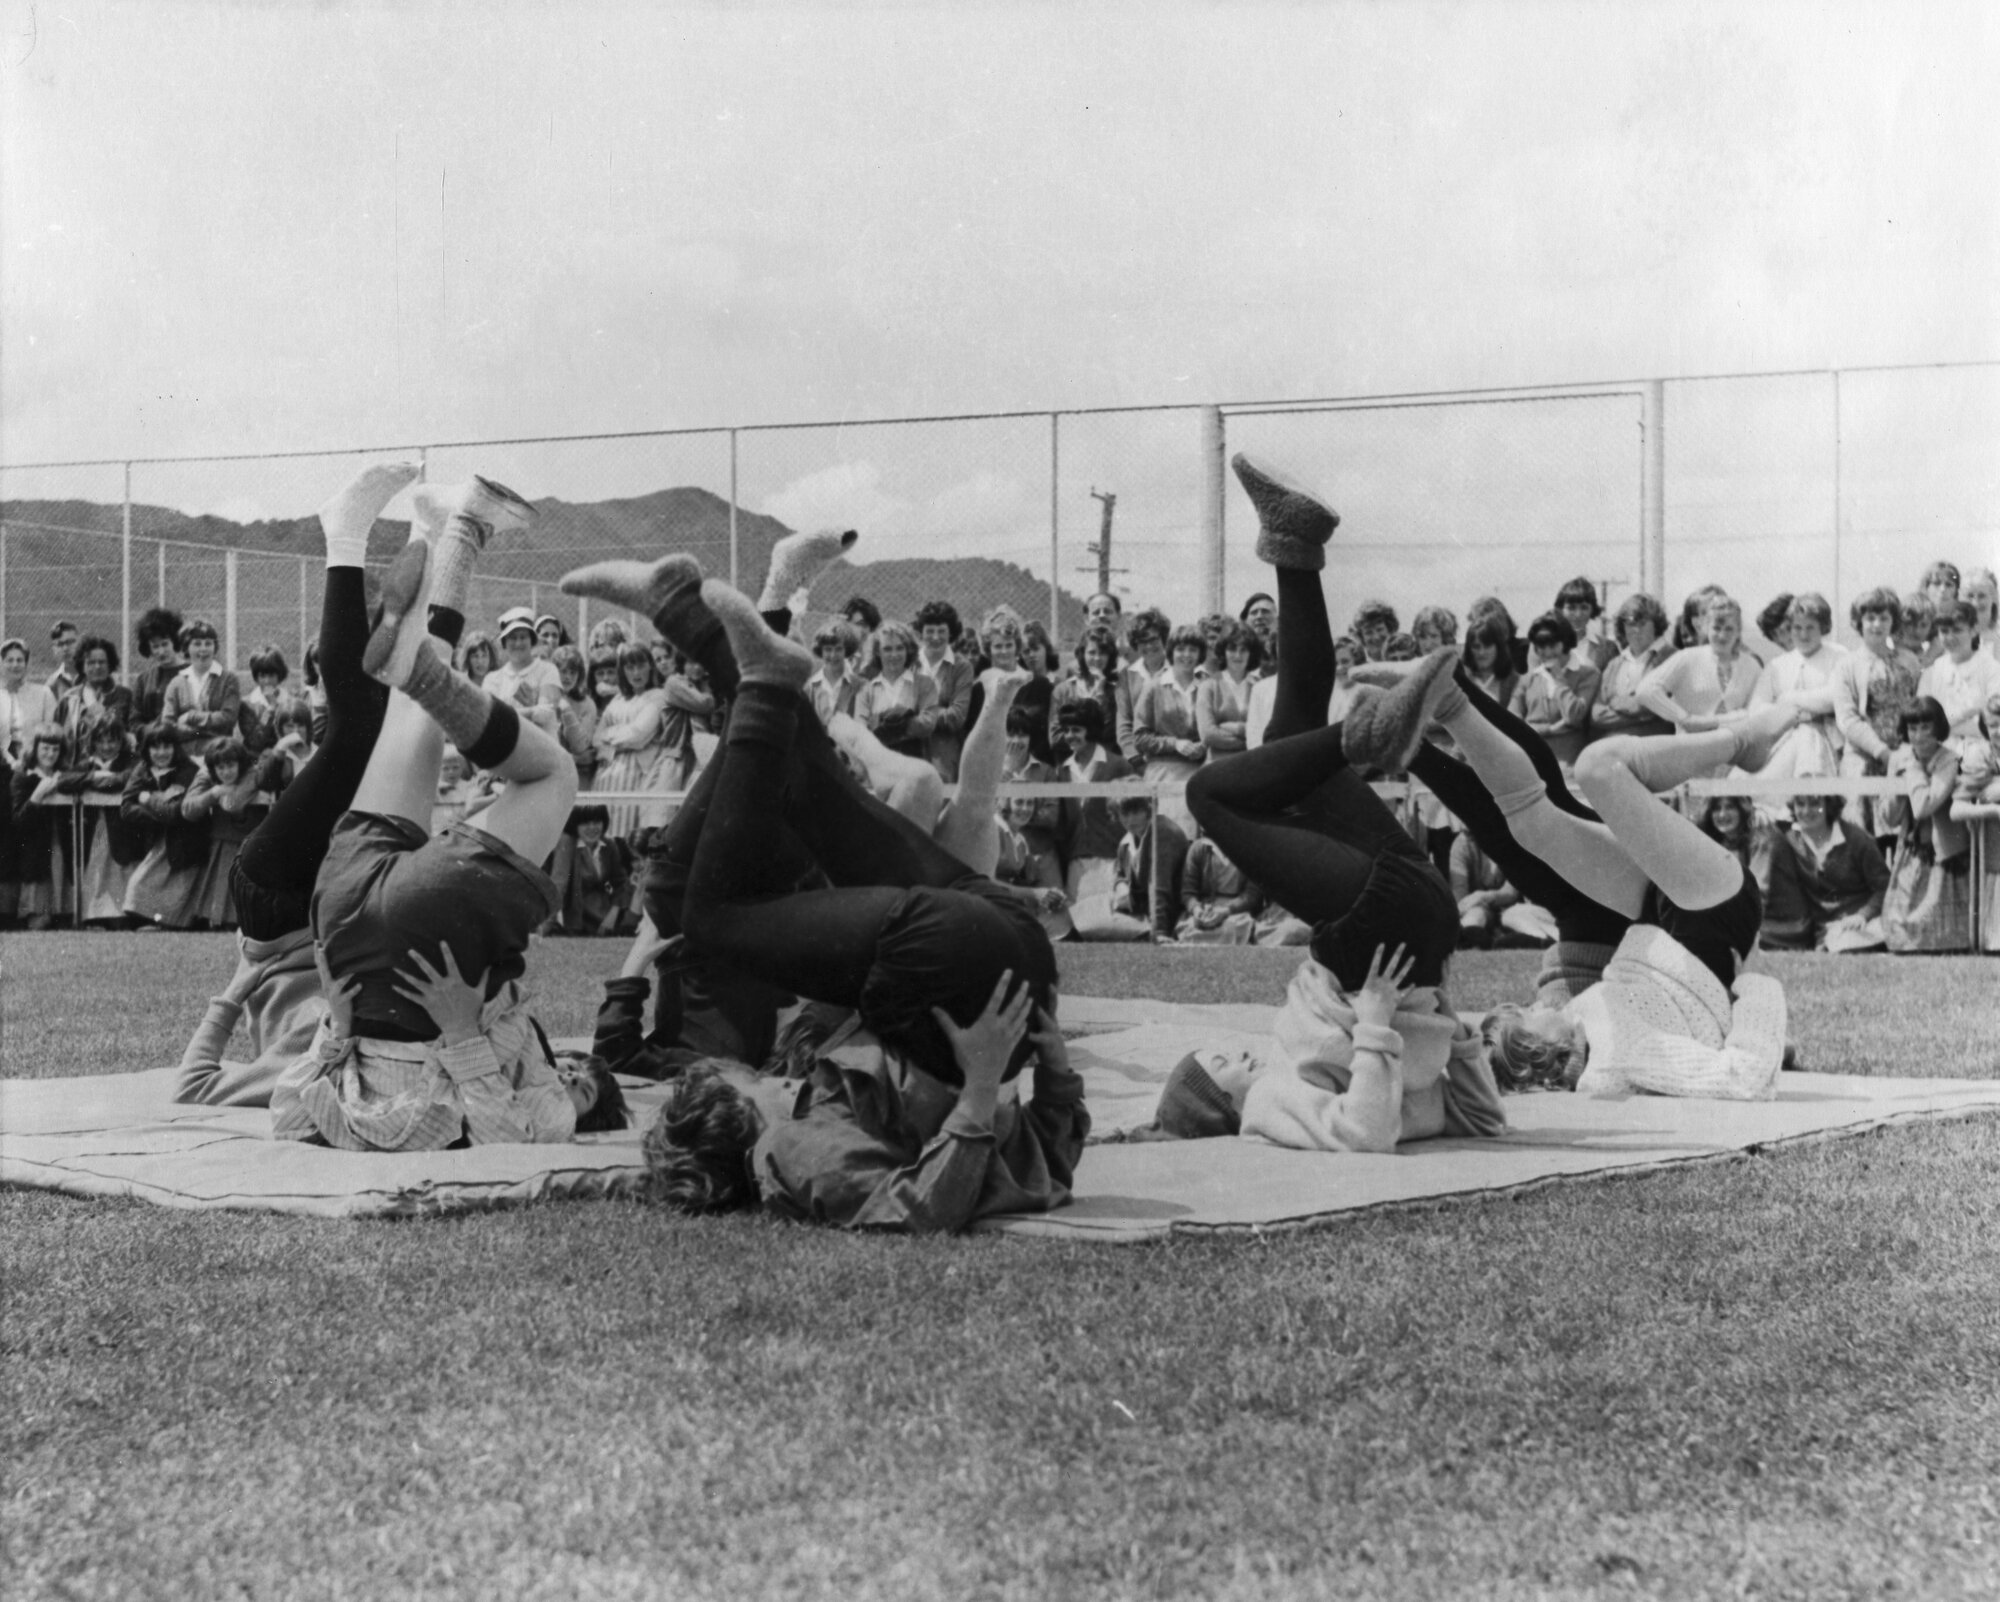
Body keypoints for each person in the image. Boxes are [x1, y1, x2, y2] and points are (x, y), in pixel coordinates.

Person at [556, 553, 1083, 1231]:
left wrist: (1051, 1066)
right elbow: (916, 1207)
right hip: (961, 980)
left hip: (1007, 972)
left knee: (814, 784)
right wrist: (983, 1089)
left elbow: (1055, 1157)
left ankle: (700, 626)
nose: (768, 1078)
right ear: (729, 1113)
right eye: (740, 1081)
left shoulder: (813, 1112)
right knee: (705, 918)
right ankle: (732, 649)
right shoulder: (784, 1151)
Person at [1151, 455, 1503, 1154]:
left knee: (1288, 735)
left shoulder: (1299, 1066)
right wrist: (1378, 1021)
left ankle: (1295, 542)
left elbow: (1482, 1119)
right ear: (1221, 1104)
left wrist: (1443, 1018)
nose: (1233, 1053)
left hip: (1412, 928)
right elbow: (1362, 1134)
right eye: (1219, 1066)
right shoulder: (1268, 1105)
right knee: (1207, 794)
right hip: (1378, 940)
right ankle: (1360, 735)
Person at [1344, 629, 1795, 1100]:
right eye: (1527, 1014)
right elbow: (1741, 1076)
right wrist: (1754, 985)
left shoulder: (1578, 1024)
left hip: (1659, 929)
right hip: (1715, 924)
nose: (1533, 1005)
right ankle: (1742, 742)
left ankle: (1447, 702)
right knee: (1599, 768)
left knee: (1531, 822)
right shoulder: (1620, 1058)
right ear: (1539, 1055)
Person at [1880, 696, 1970, 952]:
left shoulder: (1949, 760)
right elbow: (1889, 818)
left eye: (1925, 727)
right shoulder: (1900, 759)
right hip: (1912, 851)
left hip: (1945, 854)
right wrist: (1897, 783)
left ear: (1938, 728)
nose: (1918, 736)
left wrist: (1913, 771)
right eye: (1912, 728)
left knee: (1937, 929)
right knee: (1899, 927)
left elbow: (1923, 806)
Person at [1759, 794, 1888, 953]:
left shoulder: (1857, 839)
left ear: (1829, 805)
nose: (1806, 811)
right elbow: (1762, 824)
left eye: (1815, 804)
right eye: (1800, 804)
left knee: (1850, 942)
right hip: (1823, 926)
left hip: (1862, 921)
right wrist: (1757, 812)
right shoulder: (1791, 838)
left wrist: (1863, 915)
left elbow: (1884, 887)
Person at [1745, 593, 1846, 781]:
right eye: (1797, 628)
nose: (1803, 634)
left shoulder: (1838, 656)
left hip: (1828, 740)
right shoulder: (1777, 665)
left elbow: (1833, 697)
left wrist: (1787, 698)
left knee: (1809, 743)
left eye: (1810, 627)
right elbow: (1756, 709)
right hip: (1783, 738)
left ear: (1822, 627)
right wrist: (1792, 713)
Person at [121, 720, 208, 930]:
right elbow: (126, 807)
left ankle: (167, 924)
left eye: (167, 746)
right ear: (147, 749)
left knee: (176, 890)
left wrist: (148, 799)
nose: (161, 753)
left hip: (186, 840)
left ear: (175, 747)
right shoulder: (143, 769)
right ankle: (151, 922)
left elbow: (175, 813)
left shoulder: (189, 770)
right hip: (159, 838)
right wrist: (157, 814)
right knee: (138, 885)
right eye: (155, 747)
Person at [59, 716, 142, 926]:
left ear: (121, 741)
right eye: (101, 741)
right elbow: (63, 781)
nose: (106, 746)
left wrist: (104, 780)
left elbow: (127, 777)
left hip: (121, 829)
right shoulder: (87, 764)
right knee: (95, 871)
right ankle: (94, 916)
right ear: (93, 741)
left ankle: (122, 916)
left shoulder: (131, 761)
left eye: (112, 741)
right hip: (95, 829)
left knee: (120, 869)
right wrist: (92, 777)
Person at [1130, 624, 1207, 829]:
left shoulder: (1207, 686)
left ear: (1200, 653)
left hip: (1199, 772)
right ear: (1171, 651)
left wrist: (1203, 745)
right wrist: (1175, 744)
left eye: (1193, 649)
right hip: (1163, 773)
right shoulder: (1154, 687)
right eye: (1181, 649)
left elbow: (1213, 728)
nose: (1186, 655)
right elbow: (1139, 738)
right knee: (1166, 836)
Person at [182, 737, 263, 931]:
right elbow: (187, 809)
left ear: (240, 763)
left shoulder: (253, 772)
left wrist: (229, 794)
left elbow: (233, 803)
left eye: (231, 765)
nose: (226, 772)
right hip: (223, 841)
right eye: (220, 767)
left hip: (250, 842)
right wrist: (213, 793)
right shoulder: (206, 774)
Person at [1509, 612, 1598, 770]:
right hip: (1531, 760)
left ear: (1566, 642)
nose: (1547, 652)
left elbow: (1573, 716)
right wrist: (1549, 730)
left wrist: (1559, 680)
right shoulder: (1528, 679)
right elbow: (1512, 722)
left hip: (1570, 762)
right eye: (1541, 646)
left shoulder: (1588, 674)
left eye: (1553, 645)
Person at [1589, 594, 1675, 742]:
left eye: (1642, 624)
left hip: (1654, 746)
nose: (1636, 630)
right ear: (1622, 627)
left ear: (1656, 625)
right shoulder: (1614, 664)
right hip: (1613, 746)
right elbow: (1596, 715)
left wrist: (1616, 702)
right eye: (1630, 624)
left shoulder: (1670, 658)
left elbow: (1655, 707)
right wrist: (1638, 714)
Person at [11, 724, 73, 928]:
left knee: (65, 919)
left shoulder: (64, 775)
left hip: (61, 848)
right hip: (36, 853)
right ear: (35, 748)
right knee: (39, 920)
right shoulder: (23, 777)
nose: (50, 754)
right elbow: (19, 822)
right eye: (45, 748)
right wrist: (37, 795)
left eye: (55, 749)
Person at [1917, 601, 2000, 746]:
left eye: (1957, 630)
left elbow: (1993, 722)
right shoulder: (1932, 672)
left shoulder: (1992, 669)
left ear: (1974, 630)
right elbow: (1924, 720)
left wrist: (1945, 725)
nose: (1950, 637)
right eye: (1944, 631)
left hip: (1983, 748)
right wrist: (1968, 713)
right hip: (1941, 749)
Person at [854, 620, 936, 761]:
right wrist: (906, 720)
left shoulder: (924, 684)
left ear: (908, 650)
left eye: (899, 648)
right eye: (887, 649)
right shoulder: (867, 690)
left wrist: (885, 724)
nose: (894, 654)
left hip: (915, 762)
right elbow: (861, 729)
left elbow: (927, 724)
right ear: (878, 652)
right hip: (878, 763)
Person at [161, 619, 241, 763]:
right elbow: (167, 725)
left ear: (215, 647)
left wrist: (190, 717)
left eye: (208, 644)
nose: (203, 649)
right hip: (183, 756)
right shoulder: (176, 683)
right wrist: (202, 731)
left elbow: (228, 718)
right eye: (197, 644)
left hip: (218, 755)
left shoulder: (228, 680)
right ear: (187, 648)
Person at [484, 606, 564, 737]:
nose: (518, 643)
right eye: (512, 638)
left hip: (542, 747)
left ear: (532, 640)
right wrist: (532, 711)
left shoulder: (548, 670)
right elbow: (489, 719)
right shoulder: (492, 679)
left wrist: (503, 714)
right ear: (504, 642)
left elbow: (544, 715)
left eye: (523, 637)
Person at [56, 634, 134, 763]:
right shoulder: (69, 699)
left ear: (110, 665)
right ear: (82, 666)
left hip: (116, 769)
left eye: (102, 662)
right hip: (76, 770)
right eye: (91, 663)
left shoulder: (125, 696)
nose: (97, 667)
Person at [1195, 619, 1261, 760]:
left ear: (1251, 652)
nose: (1238, 655)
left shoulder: (1260, 686)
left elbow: (1267, 731)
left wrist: (1238, 728)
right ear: (1223, 651)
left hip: (1253, 764)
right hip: (1218, 765)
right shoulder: (1208, 686)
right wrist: (1250, 739)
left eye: (1243, 649)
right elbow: (1208, 735)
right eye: (1232, 648)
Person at [0, 637, 60, 764]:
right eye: (9, 660)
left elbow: (51, 734)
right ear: (2, 664)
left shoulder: (43, 694)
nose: (15, 665)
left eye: (19, 660)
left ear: (26, 664)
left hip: (35, 761)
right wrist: (9, 759)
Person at [128, 607, 186, 728]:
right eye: (155, 646)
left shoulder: (191, 673)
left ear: (175, 642)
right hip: (152, 737)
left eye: (165, 644)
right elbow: (134, 720)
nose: (161, 651)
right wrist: (151, 731)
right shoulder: (143, 680)